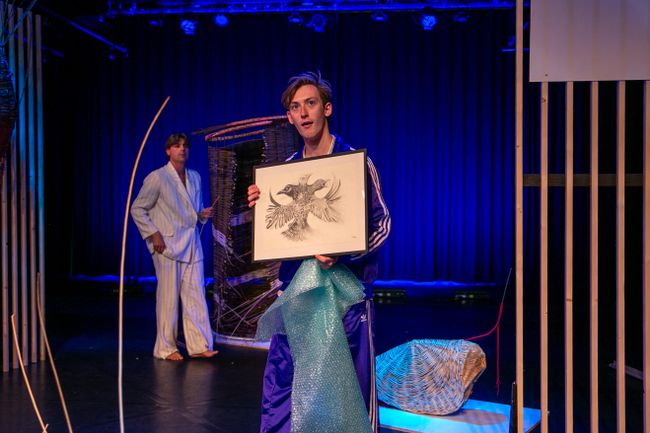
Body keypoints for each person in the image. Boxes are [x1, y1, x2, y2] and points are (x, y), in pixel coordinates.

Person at [248, 72, 391, 433]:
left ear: (326, 109)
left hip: (346, 298)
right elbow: (278, 233)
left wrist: (345, 253)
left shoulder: (353, 163)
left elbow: (383, 224)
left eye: (310, 103)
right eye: (295, 107)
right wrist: (259, 207)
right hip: (297, 294)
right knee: (286, 385)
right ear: (290, 117)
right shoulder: (283, 173)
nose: (303, 113)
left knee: (350, 390)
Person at [131, 132, 218, 361]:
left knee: (196, 294)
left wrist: (201, 215)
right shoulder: (158, 177)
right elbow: (137, 208)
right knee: (168, 298)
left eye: (185, 146)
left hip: (191, 243)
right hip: (167, 245)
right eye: (177, 146)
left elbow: (193, 211)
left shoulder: (195, 177)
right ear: (168, 151)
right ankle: (166, 348)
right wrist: (154, 234)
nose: (182, 149)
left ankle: (199, 345)